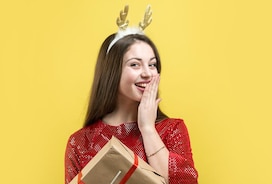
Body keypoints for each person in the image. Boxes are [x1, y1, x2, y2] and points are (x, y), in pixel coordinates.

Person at [64, 5, 198, 184]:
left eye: (152, 64)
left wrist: (148, 128)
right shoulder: (81, 143)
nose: (147, 73)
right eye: (135, 64)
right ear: (112, 71)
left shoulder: (171, 130)